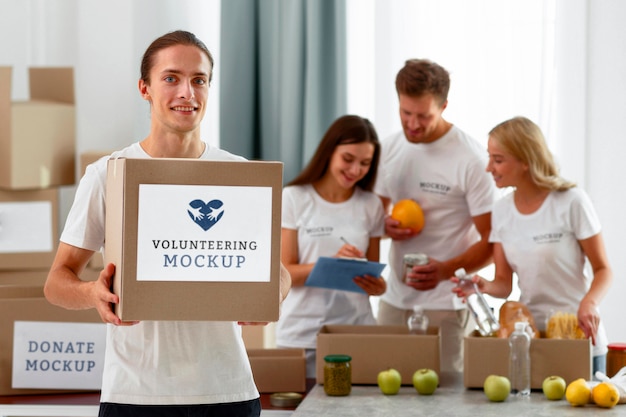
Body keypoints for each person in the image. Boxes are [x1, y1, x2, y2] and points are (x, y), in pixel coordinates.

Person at [43, 30, 290, 416]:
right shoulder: (108, 174)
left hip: (227, 392)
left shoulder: (241, 176)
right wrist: (94, 294)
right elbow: (57, 281)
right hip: (136, 395)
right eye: (171, 78)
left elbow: (278, 274)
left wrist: (273, 294)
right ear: (145, 88)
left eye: (199, 80)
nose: (187, 93)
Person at [455, 116, 612, 374]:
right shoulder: (502, 211)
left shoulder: (571, 201)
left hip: (579, 338)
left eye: (498, 159)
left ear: (526, 161)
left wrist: (590, 303)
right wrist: (482, 285)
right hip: (531, 340)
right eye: (489, 157)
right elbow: (504, 284)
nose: (488, 168)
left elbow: (604, 270)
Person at [374, 59, 497, 373]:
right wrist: (386, 226)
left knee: (446, 400)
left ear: (444, 106)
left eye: (424, 116)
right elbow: (373, 219)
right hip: (394, 301)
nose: (413, 124)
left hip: (447, 306)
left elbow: (493, 241)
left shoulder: (471, 159)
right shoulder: (387, 149)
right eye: (406, 113)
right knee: (382, 394)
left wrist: (444, 270)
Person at [276, 115, 387, 378]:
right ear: (329, 151)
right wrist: (332, 265)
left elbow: (374, 276)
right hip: (301, 335)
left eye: (365, 163)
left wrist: (379, 286)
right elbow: (284, 274)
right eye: (348, 159)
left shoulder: (371, 205)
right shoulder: (294, 198)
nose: (355, 170)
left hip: (356, 332)